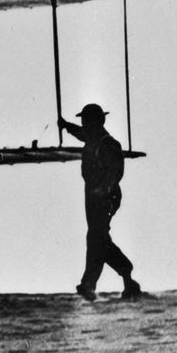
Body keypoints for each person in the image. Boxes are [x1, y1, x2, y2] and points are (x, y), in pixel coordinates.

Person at [58, 104, 143, 301]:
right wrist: (65, 125)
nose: (84, 126)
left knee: (96, 237)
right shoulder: (92, 138)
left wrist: (103, 189)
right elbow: (80, 133)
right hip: (92, 196)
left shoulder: (109, 144)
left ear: (99, 122)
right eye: (84, 122)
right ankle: (126, 278)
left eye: (88, 122)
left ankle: (90, 284)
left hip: (106, 197)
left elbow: (115, 172)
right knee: (98, 238)